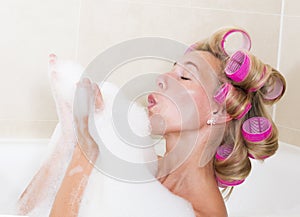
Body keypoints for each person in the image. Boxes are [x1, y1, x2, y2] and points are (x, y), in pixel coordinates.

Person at [17, 27, 286, 217]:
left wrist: (86, 147)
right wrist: (71, 135)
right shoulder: (140, 168)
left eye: (185, 77)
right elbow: (24, 210)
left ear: (218, 111)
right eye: (170, 69)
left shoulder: (204, 213)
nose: (162, 79)